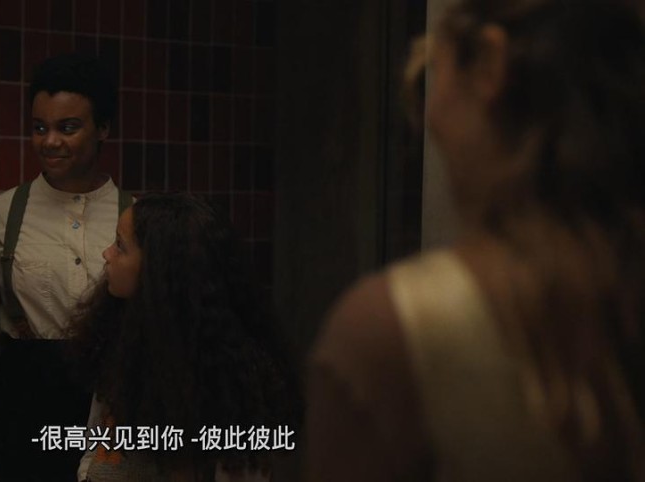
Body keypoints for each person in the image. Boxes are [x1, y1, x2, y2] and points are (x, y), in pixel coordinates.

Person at [306, 0, 645, 480]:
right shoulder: (621, 294)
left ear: (488, 64)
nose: (428, 112)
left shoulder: (393, 333)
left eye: (434, 67)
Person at [72, 193, 300, 481]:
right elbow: (97, 442)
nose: (106, 254)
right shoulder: (121, 334)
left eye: (120, 246)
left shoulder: (225, 374)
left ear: (158, 268)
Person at [0, 52, 129, 481]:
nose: (50, 142)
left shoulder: (135, 219)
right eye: (40, 128)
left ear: (103, 129)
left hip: (112, 402)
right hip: (25, 406)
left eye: (68, 127)